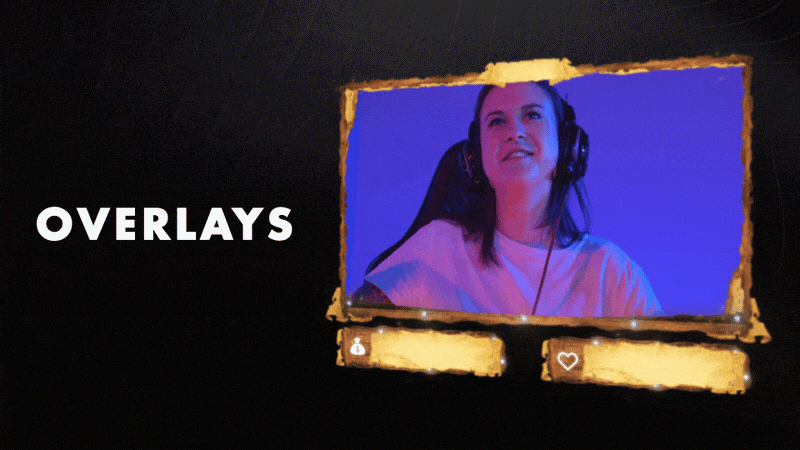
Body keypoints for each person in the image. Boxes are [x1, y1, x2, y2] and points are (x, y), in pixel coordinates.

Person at [353, 81, 662, 318]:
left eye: (532, 115)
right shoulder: (438, 245)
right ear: (476, 157)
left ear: (567, 145)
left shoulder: (612, 270)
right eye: (497, 121)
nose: (514, 132)